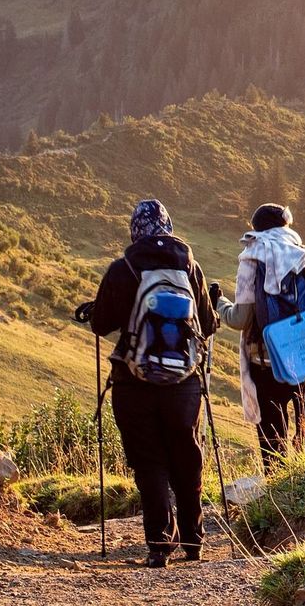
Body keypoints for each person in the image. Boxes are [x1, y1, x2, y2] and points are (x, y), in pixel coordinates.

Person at [90, 199, 217, 568]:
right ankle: (194, 541)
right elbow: (207, 326)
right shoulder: (190, 266)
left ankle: (159, 544)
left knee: (149, 460)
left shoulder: (123, 267)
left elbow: (101, 324)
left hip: (134, 382)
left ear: (135, 230)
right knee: (187, 456)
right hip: (184, 383)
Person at [213, 203, 305, 471]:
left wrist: (219, 303)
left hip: (266, 362)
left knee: (273, 441)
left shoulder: (250, 259)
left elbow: (240, 319)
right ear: (287, 226)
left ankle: (277, 495)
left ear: (256, 230)